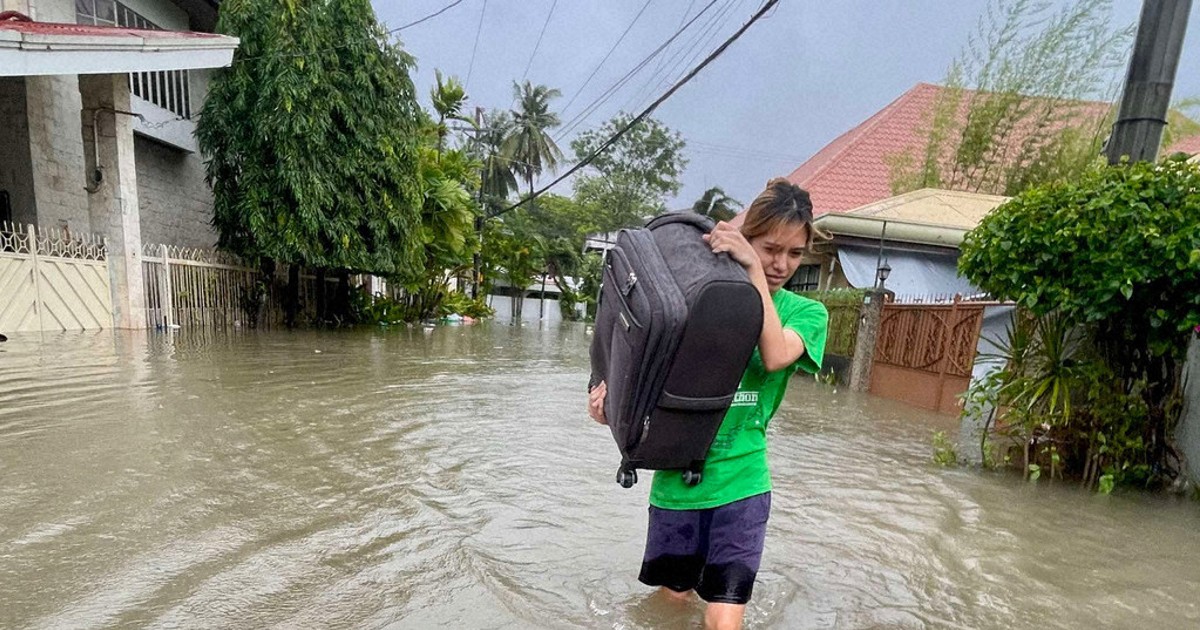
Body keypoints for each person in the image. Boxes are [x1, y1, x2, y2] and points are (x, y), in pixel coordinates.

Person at [587, 178, 829, 630]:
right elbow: (644, 375)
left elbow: (775, 355)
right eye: (770, 249)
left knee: (724, 618)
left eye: (795, 254)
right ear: (747, 238)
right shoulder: (698, 298)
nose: (781, 264)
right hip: (678, 481)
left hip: (743, 482)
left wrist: (752, 270)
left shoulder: (806, 314)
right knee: (672, 605)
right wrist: (606, 406)